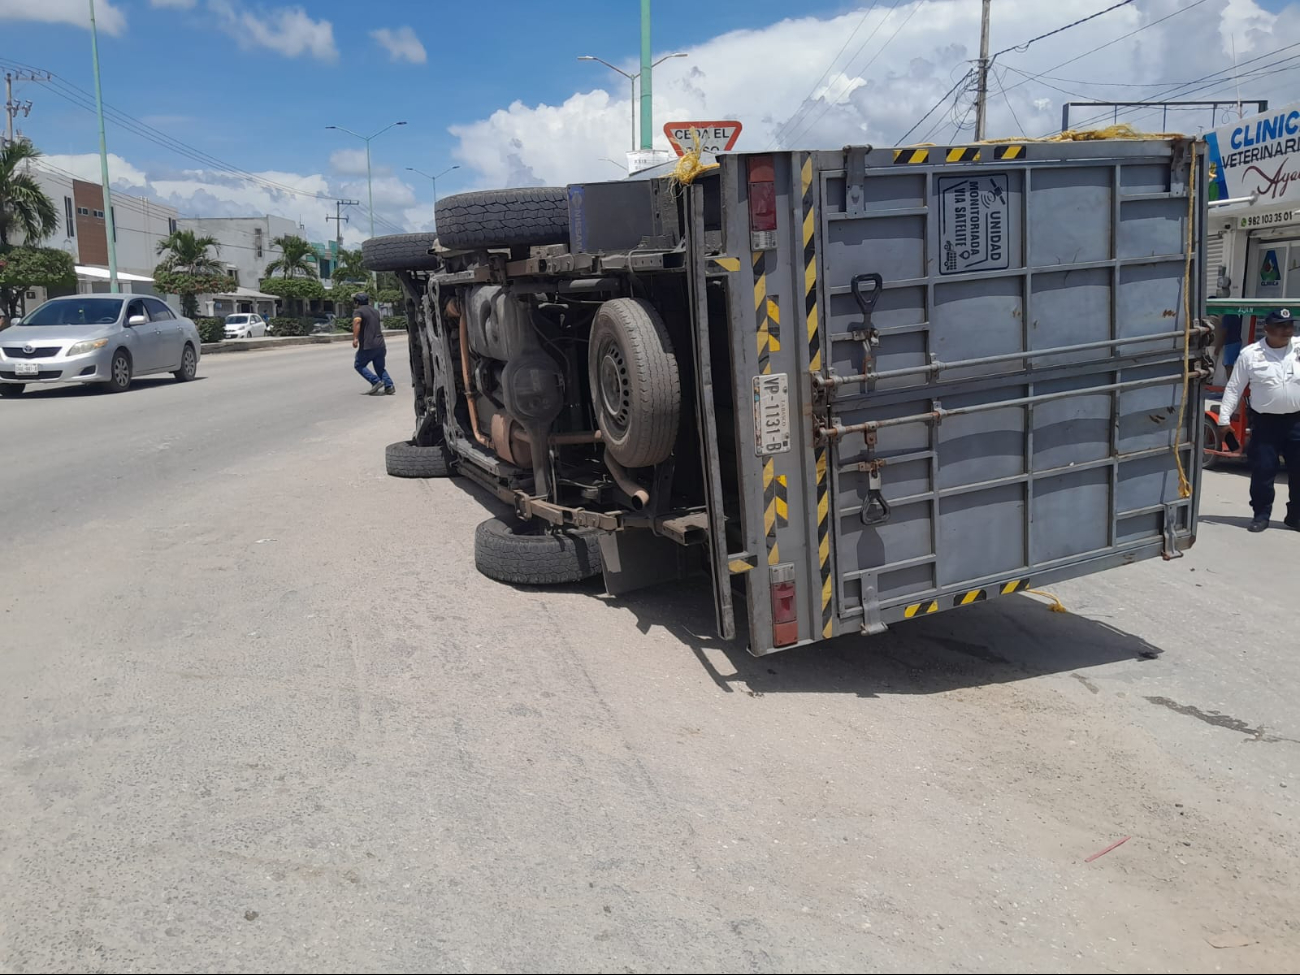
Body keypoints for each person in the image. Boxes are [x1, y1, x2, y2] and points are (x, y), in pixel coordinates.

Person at [1218, 307, 1300, 532]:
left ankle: (1296, 517)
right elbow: (1234, 388)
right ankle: (1261, 515)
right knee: (1263, 471)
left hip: (1297, 421)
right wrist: (1223, 420)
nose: (1288, 330)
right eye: (1282, 326)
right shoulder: (1251, 354)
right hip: (1266, 423)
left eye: (1290, 326)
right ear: (1268, 329)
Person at [351, 292, 394, 396]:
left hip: (368, 345)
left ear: (357, 302)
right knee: (379, 367)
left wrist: (355, 338)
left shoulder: (358, 311)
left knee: (359, 364)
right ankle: (389, 386)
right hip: (380, 344)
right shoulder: (375, 311)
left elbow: (357, 322)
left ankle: (375, 381)